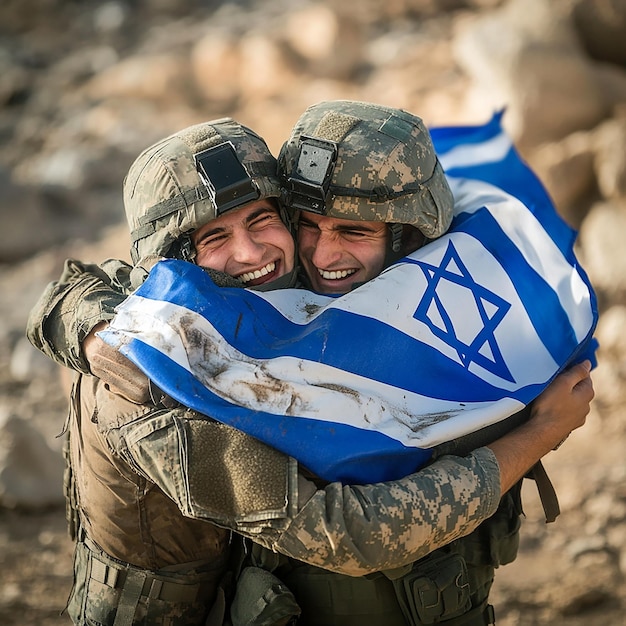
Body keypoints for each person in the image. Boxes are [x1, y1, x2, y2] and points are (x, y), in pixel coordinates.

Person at [26, 104, 594, 625]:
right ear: (174, 269)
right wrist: (541, 432)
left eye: (265, 221)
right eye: (214, 238)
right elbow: (351, 533)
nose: (253, 254)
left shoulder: (321, 286)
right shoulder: (161, 368)